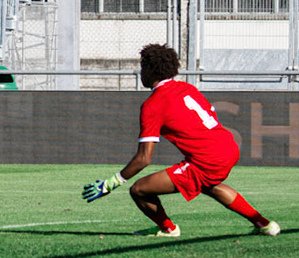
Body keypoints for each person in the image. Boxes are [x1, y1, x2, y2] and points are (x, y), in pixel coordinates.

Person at [82, 42, 279, 238]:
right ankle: (264, 225)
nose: (140, 73)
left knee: (139, 189)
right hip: (228, 147)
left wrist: (111, 183)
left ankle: (168, 229)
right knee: (209, 186)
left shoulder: (153, 104)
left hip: (208, 158)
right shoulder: (187, 88)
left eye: (142, 67)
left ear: (151, 70)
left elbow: (143, 159)